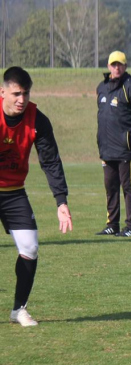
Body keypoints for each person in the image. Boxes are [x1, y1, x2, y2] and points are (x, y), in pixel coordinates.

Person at [0, 67, 73, 327]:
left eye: (26, 93)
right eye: (16, 93)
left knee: (30, 248)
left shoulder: (37, 120)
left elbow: (51, 161)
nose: (22, 99)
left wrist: (61, 202)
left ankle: (18, 309)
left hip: (13, 192)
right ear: (3, 92)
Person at [95, 50, 131, 237]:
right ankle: (112, 224)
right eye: (113, 64)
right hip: (106, 148)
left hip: (126, 149)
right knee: (110, 187)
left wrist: (127, 133)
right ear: (108, 66)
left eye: (120, 64)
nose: (116, 67)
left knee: (128, 188)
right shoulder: (102, 88)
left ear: (125, 66)